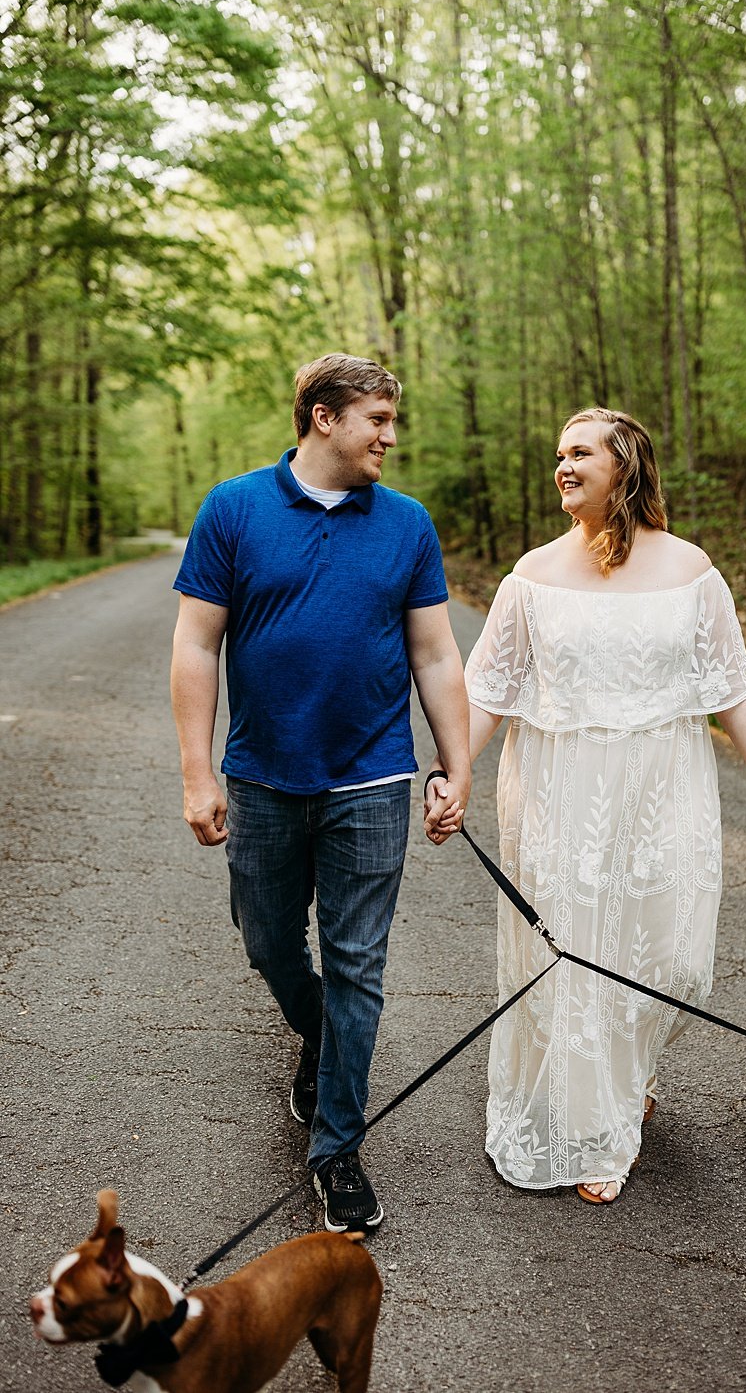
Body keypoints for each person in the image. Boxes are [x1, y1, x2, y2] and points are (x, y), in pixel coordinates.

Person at [426, 407, 746, 1204]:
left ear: (626, 465)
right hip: (560, 790)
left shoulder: (691, 569)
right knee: (575, 953)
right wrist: (454, 776)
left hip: (667, 786)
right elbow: (483, 692)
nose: (562, 465)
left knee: (675, 961)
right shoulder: (532, 575)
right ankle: (600, 1128)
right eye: (558, 453)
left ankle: (630, 1073)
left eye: (580, 452)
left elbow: (733, 687)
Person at [171, 352, 471, 1233]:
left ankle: (337, 1148)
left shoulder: (408, 523)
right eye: (377, 419)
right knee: (266, 940)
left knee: (358, 966)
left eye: (391, 421)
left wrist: (456, 766)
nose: (389, 436)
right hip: (262, 775)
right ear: (322, 417)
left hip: (372, 781)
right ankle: (322, 1039)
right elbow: (196, 645)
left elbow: (435, 653)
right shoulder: (234, 509)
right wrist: (197, 772)